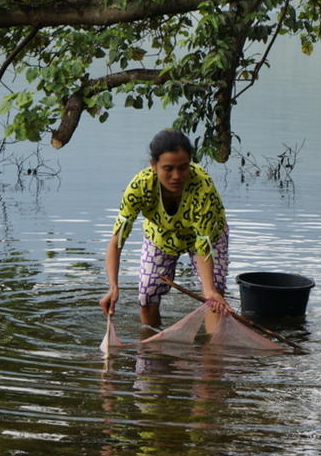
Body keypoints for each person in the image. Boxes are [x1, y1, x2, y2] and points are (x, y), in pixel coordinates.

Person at [99, 129, 232, 328]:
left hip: (207, 238)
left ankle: (211, 354)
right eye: (168, 168)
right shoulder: (140, 187)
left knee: (213, 299)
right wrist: (113, 287)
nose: (176, 176)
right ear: (154, 165)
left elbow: (203, 245)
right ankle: (152, 351)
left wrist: (209, 290)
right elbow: (117, 241)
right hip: (161, 234)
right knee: (147, 296)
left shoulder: (202, 187)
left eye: (183, 167)